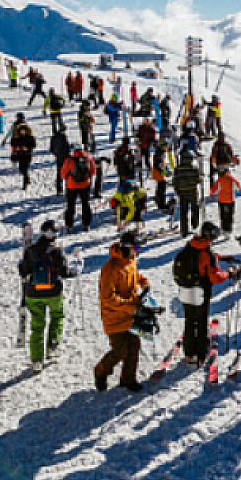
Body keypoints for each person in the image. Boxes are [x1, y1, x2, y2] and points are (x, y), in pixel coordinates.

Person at [94, 231, 149, 392]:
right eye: (136, 247)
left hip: (130, 313)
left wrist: (143, 282)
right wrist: (130, 306)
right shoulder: (110, 270)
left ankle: (128, 379)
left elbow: (134, 274)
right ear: (127, 248)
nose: (138, 250)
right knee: (120, 351)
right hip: (114, 317)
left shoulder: (130, 260)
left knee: (134, 346)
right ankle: (100, 371)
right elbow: (108, 298)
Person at [19, 221, 76, 371]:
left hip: (32, 293)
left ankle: (37, 360)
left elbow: (24, 272)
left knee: (37, 325)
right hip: (53, 292)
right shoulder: (56, 251)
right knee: (57, 316)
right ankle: (52, 345)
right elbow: (64, 271)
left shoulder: (30, 250)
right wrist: (73, 272)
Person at [173, 222, 229, 365]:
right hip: (200, 292)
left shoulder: (190, 246)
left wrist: (219, 257)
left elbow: (197, 259)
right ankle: (201, 355)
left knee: (189, 321)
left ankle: (189, 354)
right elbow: (215, 277)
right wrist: (228, 273)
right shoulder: (208, 253)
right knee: (202, 322)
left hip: (185, 290)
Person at [62, 147, 96, 232]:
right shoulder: (88, 158)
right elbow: (93, 171)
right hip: (85, 185)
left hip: (71, 186)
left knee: (70, 205)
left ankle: (69, 225)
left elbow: (63, 174)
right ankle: (86, 224)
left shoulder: (69, 160)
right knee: (85, 205)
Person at [171, 150, 203, 237]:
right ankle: (195, 224)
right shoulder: (194, 169)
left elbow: (175, 182)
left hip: (182, 193)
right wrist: (200, 178)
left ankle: (184, 231)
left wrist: (177, 190)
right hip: (192, 192)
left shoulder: (178, 169)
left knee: (183, 212)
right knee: (195, 209)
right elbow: (197, 180)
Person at [209, 167, 241, 236]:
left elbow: (214, 189)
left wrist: (212, 194)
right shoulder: (232, 179)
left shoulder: (220, 179)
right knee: (230, 215)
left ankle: (223, 228)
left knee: (222, 214)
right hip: (230, 200)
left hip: (221, 200)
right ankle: (229, 229)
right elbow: (238, 186)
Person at [9, 114, 37, 190]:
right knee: (22, 169)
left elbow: (33, 145)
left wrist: (27, 148)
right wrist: (16, 147)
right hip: (20, 155)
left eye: (24, 130)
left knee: (25, 168)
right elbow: (12, 143)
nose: (23, 132)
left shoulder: (30, 137)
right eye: (21, 130)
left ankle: (25, 184)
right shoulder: (16, 137)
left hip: (27, 155)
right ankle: (27, 178)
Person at [151, 139, 172, 211]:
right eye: (166, 146)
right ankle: (161, 204)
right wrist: (165, 172)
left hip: (160, 173)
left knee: (160, 187)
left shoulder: (162, 152)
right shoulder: (159, 153)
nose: (167, 147)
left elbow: (164, 164)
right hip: (158, 173)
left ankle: (158, 200)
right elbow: (158, 165)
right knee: (162, 188)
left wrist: (167, 170)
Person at [49, 129, 71, 195]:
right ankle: (68, 188)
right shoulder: (63, 136)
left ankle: (59, 189)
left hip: (59, 158)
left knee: (59, 173)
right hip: (66, 158)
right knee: (68, 173)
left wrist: (56, 154)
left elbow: (51, 149)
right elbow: (66, 146)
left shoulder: (53, 137)